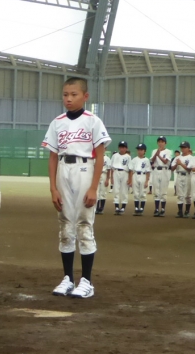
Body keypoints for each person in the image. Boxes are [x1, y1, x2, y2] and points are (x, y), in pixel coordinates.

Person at [41, 77, 111, 299]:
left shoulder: (93, 121)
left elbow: (100, 157)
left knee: (83, 224)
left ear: (85, 96)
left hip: (84, 169)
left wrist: (93, 188)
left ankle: (87, 281)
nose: (68, 99)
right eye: (65, 95)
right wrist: (53, 188)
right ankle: (68, 278)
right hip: (64, 169)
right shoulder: (57, 122)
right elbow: (53, 157)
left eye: (74, 94)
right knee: (65, 225)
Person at [150, 136, 172, 217]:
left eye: (162, 142)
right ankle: (156, 209)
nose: (160, 143)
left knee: (163, 190)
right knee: (156, 190)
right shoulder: (154, 151)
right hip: (156, 170)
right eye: (159, 141)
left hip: (164, 170)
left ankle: (162, 209)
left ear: (165, 143)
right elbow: (152, 161)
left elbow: (166, 161)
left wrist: (158, 155)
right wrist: (156, 153)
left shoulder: (168, 151)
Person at [127, 143, 151, 216]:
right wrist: (130, 180)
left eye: (141, 150)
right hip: (135, 175)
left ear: (144, 151)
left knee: (142, 193)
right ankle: (137, 208)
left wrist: (147, 181)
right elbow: (130, 170)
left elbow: (148, 171)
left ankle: (142, 209)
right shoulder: (134, 159)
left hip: (143, 175)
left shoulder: (146, 160)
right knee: (136, 193)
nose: (139, 151)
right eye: (138, 150)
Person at [171, 142, 193, 218]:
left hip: (188, 176)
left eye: (184, 147)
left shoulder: (191, 157)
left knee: (187, 195)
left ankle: (187, 211)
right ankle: (180, 211)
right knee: (179, 194)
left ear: (188, 148)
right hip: (179, 175)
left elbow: (189, 169)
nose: (182, 149)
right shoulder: (177, 158)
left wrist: (181, 164)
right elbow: (172, 168)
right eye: (182, 147)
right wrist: (177, 164)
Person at [110, 141, 130, 215]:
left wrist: (130, 178)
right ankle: (117, 207)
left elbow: (130, 168)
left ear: (126, 148)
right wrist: (111, 178)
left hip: (125, 172)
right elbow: (111, 167)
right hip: (116, 171)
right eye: (121, 147)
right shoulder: (115, 156)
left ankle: (123, 207)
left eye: (124, 147)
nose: (122, 148)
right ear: (119, 148)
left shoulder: (128, 157)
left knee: (124, 190)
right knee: (116, 189)